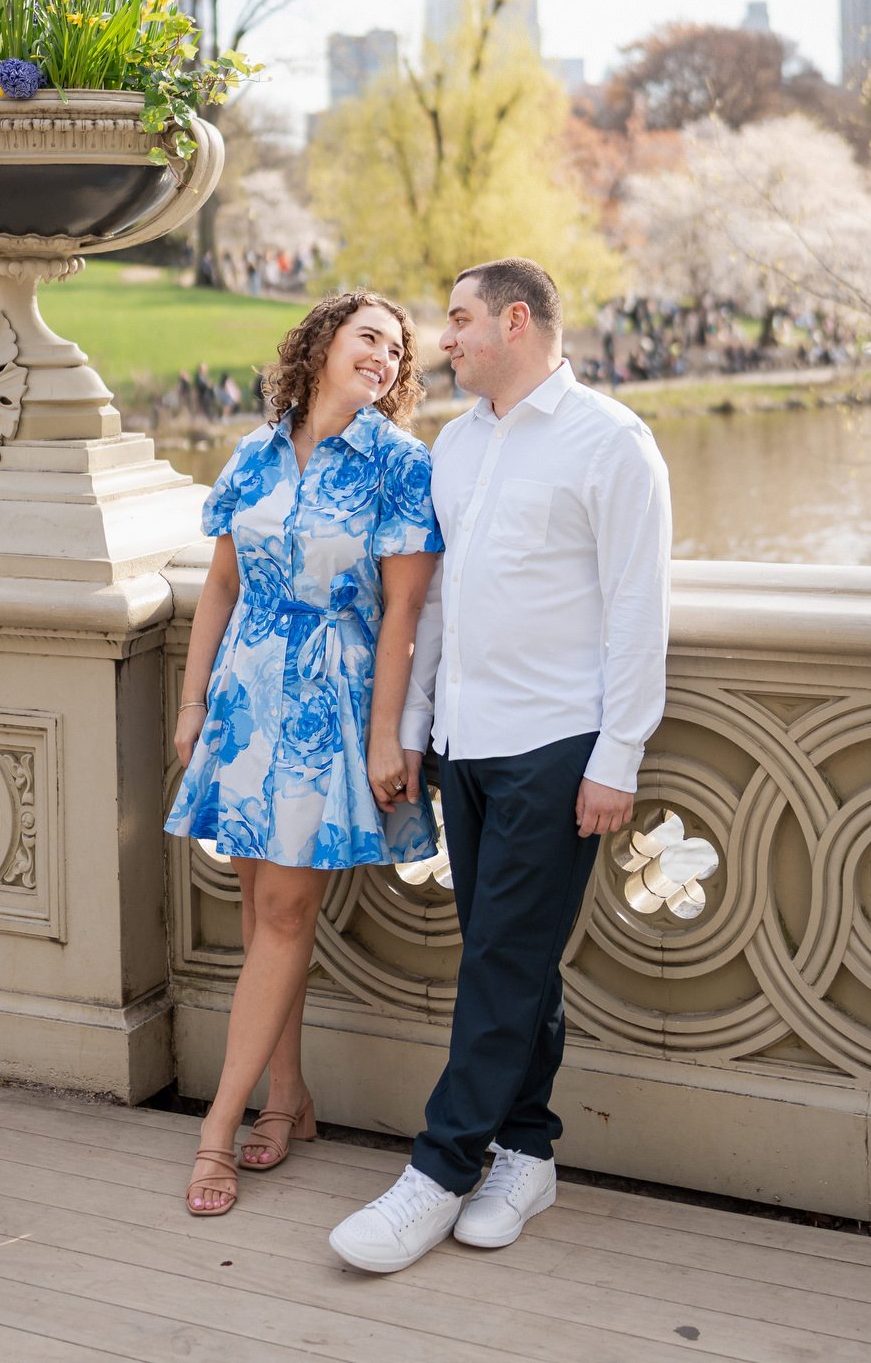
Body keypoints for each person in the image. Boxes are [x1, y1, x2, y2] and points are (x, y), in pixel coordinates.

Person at [330, 257, 671, 1273]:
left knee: (500, 963)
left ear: (517, 321)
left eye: (460, 320)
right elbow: (438, 603)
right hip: (464, 745)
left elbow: (636, 606)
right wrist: (420, 723)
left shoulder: (611, 442)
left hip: (557, 744)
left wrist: (619, 755)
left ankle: (437, 1172)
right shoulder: (456, 443)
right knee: (509, 958)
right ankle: (527, 1152)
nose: (446, 340)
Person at [165, 291, 444, 1217]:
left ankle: (217, 1131)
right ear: (322, 343)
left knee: (282, 915)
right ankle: (290, 1100)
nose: (385, 357)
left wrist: (383, 737)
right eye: (369, 336)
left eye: (397, 350)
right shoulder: (253, 450)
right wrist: (194, 703)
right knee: (258, 911)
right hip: (247, 700)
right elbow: (218, 585)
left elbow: (404, 612)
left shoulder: (399, 465)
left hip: (331, 703)